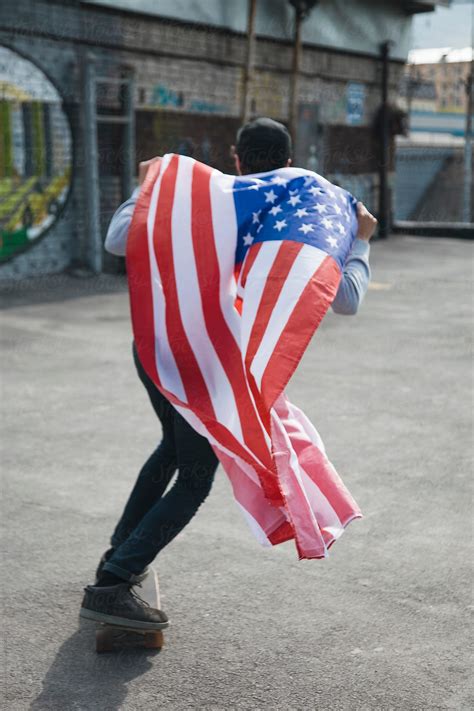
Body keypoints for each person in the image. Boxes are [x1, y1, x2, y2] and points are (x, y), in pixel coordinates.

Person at [80, 117, 377, 630]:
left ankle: (118, 557)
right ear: (288, 161)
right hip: (216, 364)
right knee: (195, 476)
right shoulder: (309, 207)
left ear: (236, 158)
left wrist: (147, 186)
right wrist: (362, 242)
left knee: (174, 451)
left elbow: (116, 240)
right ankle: (112, 584)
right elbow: (346, 300)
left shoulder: (197, 197)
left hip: (161, 348)